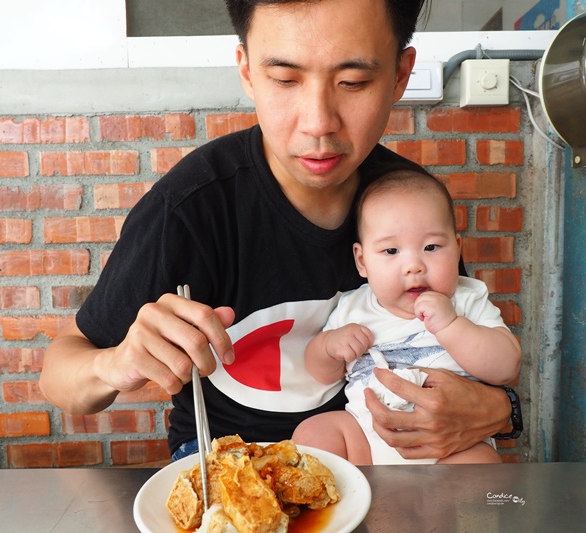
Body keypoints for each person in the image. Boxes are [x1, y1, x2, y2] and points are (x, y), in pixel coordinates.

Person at [39, 0, 517, 462]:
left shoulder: (409, 208)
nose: (317, 124)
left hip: (380, 454)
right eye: (285, 79)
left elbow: (465, 356)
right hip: (227, 459)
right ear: (246, 70)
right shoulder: (190, 207)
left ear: (399, 75)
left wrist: (500, 411)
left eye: (353, 82)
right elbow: (62, 374)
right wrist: (116, 363)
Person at [292, 167, 521, 465]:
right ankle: (351, 502)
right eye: (390, 251)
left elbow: (507, 366)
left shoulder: (465, 299)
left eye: (431, 247)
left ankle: (437, 510)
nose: (413, 265)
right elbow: (319, 373)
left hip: (453, 448)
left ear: (457, 250)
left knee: (483, 464)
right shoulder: (353, 307)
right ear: (362, 262)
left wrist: (452, 325)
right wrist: (328, 347)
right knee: (313, 433)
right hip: (365, 441)